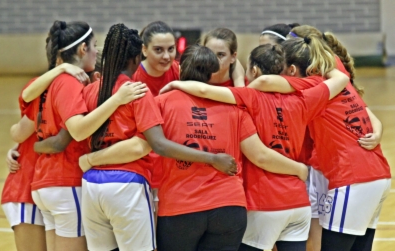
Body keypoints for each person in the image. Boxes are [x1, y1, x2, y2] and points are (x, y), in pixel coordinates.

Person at [160, 39, 349, 251]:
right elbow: (341, 78)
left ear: (256, 70)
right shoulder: (305, 99)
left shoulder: (249, 98)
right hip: (298, 202)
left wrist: (177, 83)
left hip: (264, 202)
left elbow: (206, 93)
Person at [78, 23, 241, 251]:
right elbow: (152, 145)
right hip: (131, 183)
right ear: (140, 53)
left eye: (171, 49)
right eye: (158, 50)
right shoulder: (140, 91)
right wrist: (213, 158)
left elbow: (76, 131)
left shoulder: (90, 89)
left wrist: (90, 160)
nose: (166, 57)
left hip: (93, 183)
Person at [250, 32, 391, 251]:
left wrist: (243, 91)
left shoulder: (314, 85)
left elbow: (266, 81)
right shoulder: (336, 79)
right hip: (378, 175)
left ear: (293, 70)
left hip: (353, 178)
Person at [14, 20, 146, 251]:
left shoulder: (50, 81)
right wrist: (117, 99)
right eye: (95, 45)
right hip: (66, 179)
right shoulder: (70, 82)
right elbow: (76, 129)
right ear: (83, 49)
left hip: (45, 181)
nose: (98, 52)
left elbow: (26, 98)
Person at [286, 25, 383, 251]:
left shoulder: (317, 77)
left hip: (334, 170)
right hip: (356, 170)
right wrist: (377, 131)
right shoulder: (334, 72)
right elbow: (369, 114)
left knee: (318, 240)